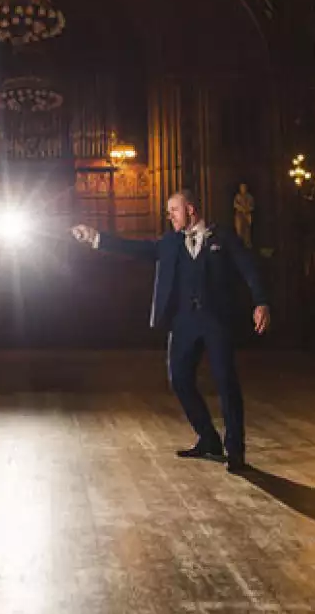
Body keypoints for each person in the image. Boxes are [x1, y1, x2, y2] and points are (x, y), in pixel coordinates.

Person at [72, 190, 268, 473]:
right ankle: (209, 438)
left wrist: (261, 301)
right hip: (183, 322)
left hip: (216, 321)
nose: (169, 216)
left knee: (226, 383)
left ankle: (235, 451)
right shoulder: (169, 242)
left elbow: (248, 268)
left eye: (173, 210)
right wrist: (95, 237)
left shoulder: (222, 237)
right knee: (179, 380)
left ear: (190, 209)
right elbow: (136, 248)